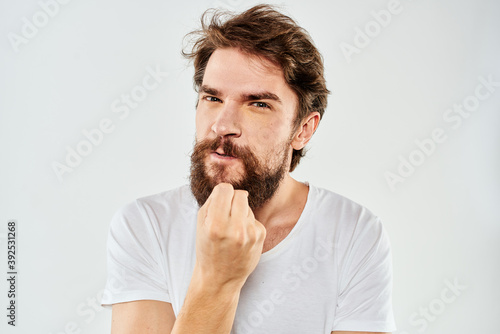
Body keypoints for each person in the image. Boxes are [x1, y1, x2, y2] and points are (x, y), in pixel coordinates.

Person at [101, 4, 396, 334]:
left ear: (303, 130)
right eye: (212, 98)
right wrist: (217, 281)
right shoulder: (145, 225)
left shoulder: (354, 233)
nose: (223, 125)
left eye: (258, 104)